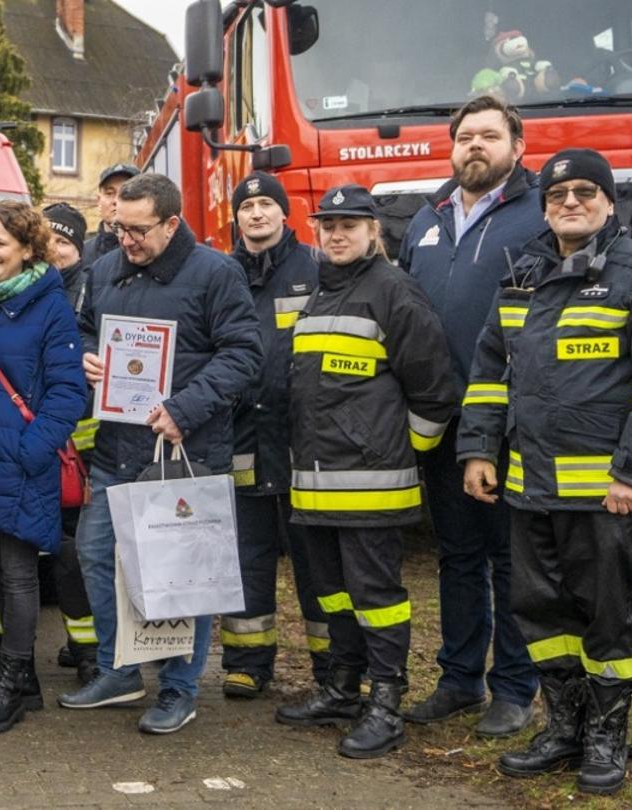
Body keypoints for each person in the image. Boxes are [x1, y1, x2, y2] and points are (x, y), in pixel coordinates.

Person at [457, 149, 632, 795]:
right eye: (557, 193)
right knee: (538, 613)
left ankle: (606, 736)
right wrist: (479, 450)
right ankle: (564, 725)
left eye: (586, 191)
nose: (571, 201)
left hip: (606, 497)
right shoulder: (521, 277)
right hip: (530, 490)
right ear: (543, 205)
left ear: (610, 201)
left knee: (607, 619)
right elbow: (488, 374)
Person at [59, 172, 262, 735]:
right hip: (116, 449)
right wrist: (86, 355)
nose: (126, 240)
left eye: (138, 230)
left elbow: (245, 354)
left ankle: (179, 688)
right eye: (119, 228)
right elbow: (78, 330)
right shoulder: (104, 271)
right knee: (96, 555)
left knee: (180, 576)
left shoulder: (215, 273)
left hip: (183, 450)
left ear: (173, 223)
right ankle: (120, 670)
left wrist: (185, 408)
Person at [282, 184, 459, 759]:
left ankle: (386, 701)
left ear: (373, 231)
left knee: (376, 596)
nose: (337, 233)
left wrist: (396, 451)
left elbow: (435, 392)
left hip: (371, 484)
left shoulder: (394, 291)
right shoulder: (320, 294)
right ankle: (342, 687)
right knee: (332, 595)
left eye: (350, 224)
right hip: (314, 483)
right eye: (328, 224)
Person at [395, 95, 545, 736]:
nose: (474, 146)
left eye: (489, 135)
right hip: (441, 417)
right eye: (464, 137)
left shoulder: (542, 213)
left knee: (512, 556)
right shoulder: (425, 220)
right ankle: (459, 679)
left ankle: (514, 687)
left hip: (513, 418)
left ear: (517, 146)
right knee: (456, 554)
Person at [0, 200, 88, 736]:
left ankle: (14, 681)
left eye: (0, 242)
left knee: (21, 575)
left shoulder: (50, 306)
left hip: (20, 462)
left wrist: (31, 452)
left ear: (28, 249)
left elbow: (69, 392)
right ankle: (22, 683)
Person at [220, 173, 321, 700]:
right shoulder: (223, 273)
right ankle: (246, 661)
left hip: (302, 440)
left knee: (316, 557)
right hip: (242, 436)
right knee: (247, 554)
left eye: (266, 204)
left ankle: (332, 667)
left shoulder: (317, 269)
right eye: (247, 206)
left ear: (285, 213)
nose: (256, 214)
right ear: (235, 218)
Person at [39, 201, 101, 685]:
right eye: (48, 240)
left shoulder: (95, 288)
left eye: (65, 241)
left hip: (83, 452)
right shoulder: (24, 287)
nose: (55, 250)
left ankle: (87, 648)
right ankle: (3, 645)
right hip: (33, 443)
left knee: (75, 553)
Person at [81, 163, 138, 268]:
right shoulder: (81, 254)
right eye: (109, 193)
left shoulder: (149, 251)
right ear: (98, 201)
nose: (116, 201)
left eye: (126, 193)